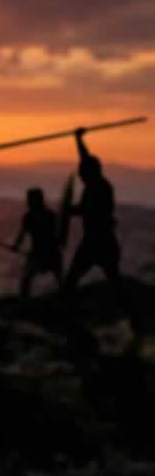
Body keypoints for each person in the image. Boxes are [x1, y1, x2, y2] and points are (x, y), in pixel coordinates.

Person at [65, 128, 139, 336]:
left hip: (98, 242)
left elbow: (89, 210)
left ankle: (78, 326)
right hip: (98, 241)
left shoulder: (99, 188)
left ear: (90, 172)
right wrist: (79, 140)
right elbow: (86, 159)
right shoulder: (96, 182)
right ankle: (133, 321)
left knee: (76, 283)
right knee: (114, 285)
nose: (79, 174)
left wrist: (71, 210)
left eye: (82, 172)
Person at [11, 188, 63, 300]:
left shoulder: (49, 216)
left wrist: (16, 245)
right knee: (27, 278)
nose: (29, 202)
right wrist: (16, 245)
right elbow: (22, 233)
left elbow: (57, 234)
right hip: (40, 252)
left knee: (58, 277)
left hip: (50, 252)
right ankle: (25, 301)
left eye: (31, 199)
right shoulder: (30, 217)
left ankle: (65, 296)